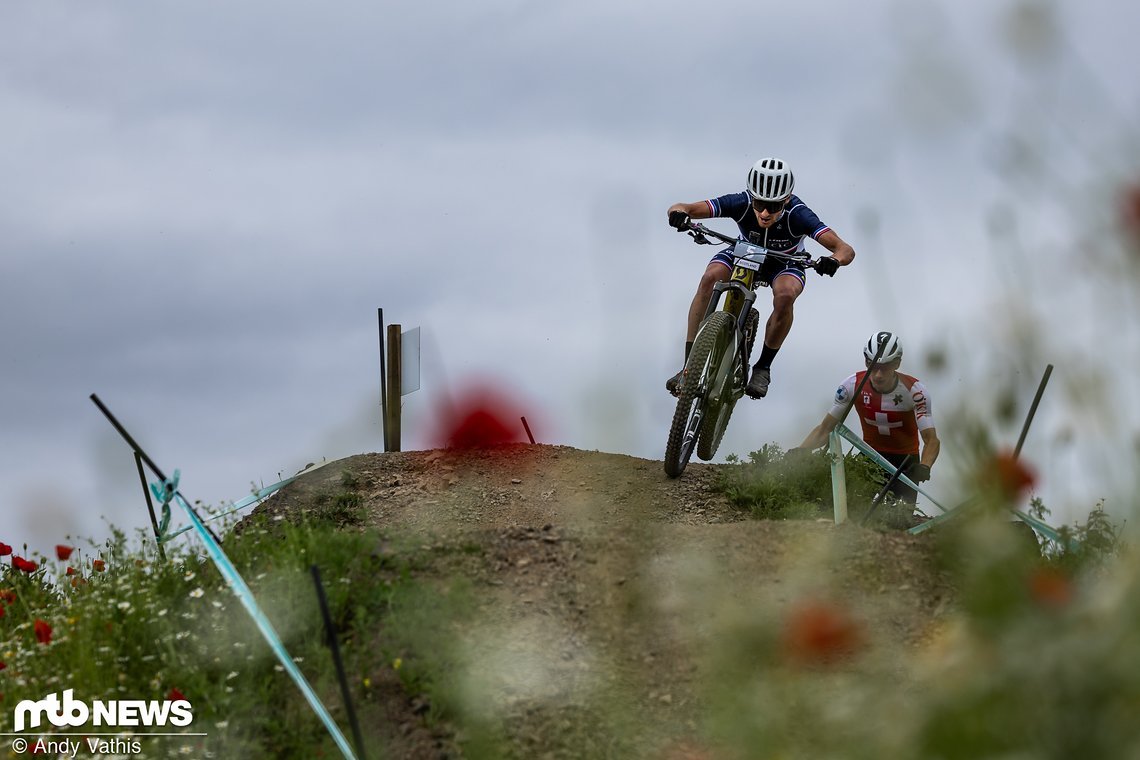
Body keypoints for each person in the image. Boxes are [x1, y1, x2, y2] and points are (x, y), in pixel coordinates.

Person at [665, 157, 856, 399]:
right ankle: (688, 367)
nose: (765, 213)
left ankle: (763, 367)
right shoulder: (740, 203)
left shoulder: (799, 214)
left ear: (786, 200)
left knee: (785, 296)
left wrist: (834, 260)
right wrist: (678, 214)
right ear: (750, 195)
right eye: (759, 203)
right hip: (744, 251)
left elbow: (845, 249)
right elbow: (683, 206)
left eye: (774, 206)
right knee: (709, 279)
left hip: (784, 262)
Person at [791, 331, 940, 504]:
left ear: (897, 364)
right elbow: (825, 429)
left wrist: (924, 466)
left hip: (905, 463)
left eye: (885, 367)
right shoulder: (851, 386)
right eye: (872, 365)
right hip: (870, 457)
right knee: (853, 508)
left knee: (901, 520)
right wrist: (801, 451)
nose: (878, 374)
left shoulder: (915, 392)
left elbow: (932, 441)